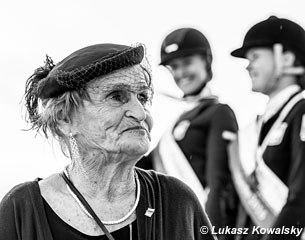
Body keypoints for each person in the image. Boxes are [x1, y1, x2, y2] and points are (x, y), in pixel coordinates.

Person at [0, 43, 216, 240]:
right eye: (116, 96)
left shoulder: (176, 200)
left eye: (142, 97)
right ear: (65, 119)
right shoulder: (22, 209)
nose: (140, 113)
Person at [138, 28, 239, 239]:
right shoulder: (176, 123)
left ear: (206, 61)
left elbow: (218, 185)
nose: (181, 73)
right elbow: (144, 168)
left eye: (187, 62)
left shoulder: (219, 113)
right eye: (174, 66)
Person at [230, 16, 305, 239]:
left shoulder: (301, 112)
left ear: (287, 58)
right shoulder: (254, 127)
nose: (248, 66)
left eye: (255, 56)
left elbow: (301, 197)